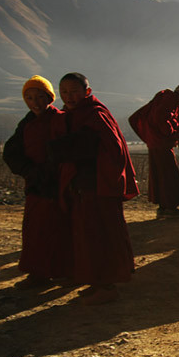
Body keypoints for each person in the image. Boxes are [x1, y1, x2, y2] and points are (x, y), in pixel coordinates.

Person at [50, 72, 138, 305]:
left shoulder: (96, 115)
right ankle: (95, 280)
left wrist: (56, 148)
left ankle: (106, 285)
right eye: (65, 92)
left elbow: (99, 148)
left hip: (98, 185)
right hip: (84, 185)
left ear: (87, 92)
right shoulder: (75, 115)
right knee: (87, 235)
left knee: (101, 234)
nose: (69, 96)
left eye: (74, 91)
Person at [3, 76, 72, 287]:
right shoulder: (27, 123)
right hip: (35, 183)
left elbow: (66, 149)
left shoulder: (60, 119)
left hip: (58, 182)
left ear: (50, 98)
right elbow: (11, 152)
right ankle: (38, 274)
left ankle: (64, 271)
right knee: (35, 230)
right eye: (30, 97)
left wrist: (51, 171)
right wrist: (29, 171)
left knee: (61, 229)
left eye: (41, 97)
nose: (35, 102)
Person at [128, 82, 179, 218]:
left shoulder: (166, 99)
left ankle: (163, 207)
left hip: (156, 143)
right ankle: (169, 207)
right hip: (161, 143)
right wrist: (171, 134)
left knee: (161, 174)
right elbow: (160, 118)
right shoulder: (169, 100)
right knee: (168, 175)